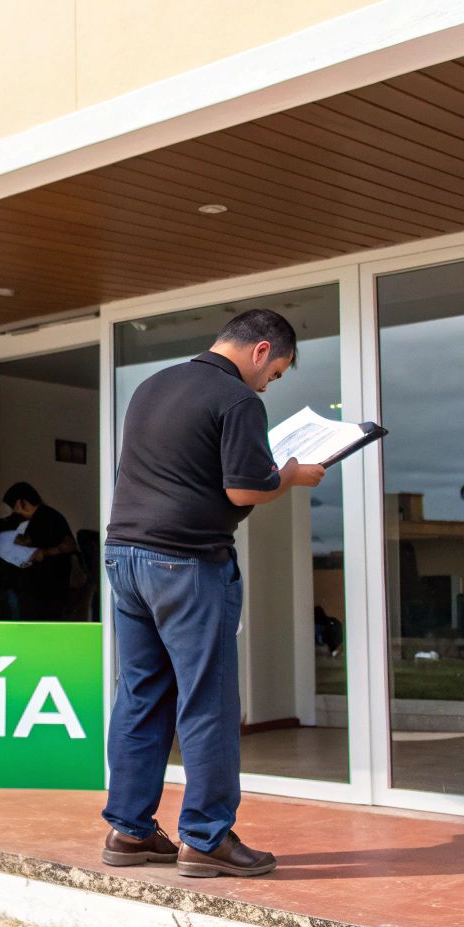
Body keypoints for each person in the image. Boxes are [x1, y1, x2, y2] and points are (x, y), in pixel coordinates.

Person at [100, 308, 325, 878]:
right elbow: (245, 489)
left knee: (141, 694)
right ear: (261, 350)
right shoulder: (237, 399)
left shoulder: (153, 385)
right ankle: (206, 838)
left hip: (125, 555)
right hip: (186, 563)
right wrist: (291, 475)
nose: (268, 384)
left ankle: (129, 831)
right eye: (275, 372)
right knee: (208, 701)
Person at [2, 482, 78, 621]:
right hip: (48, 585)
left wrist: (43, 552)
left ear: (22, 502)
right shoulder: (45, 516)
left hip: (48, 585)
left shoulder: (45, 516)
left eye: (14, 507)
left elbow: (68, 546)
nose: (15, 512)